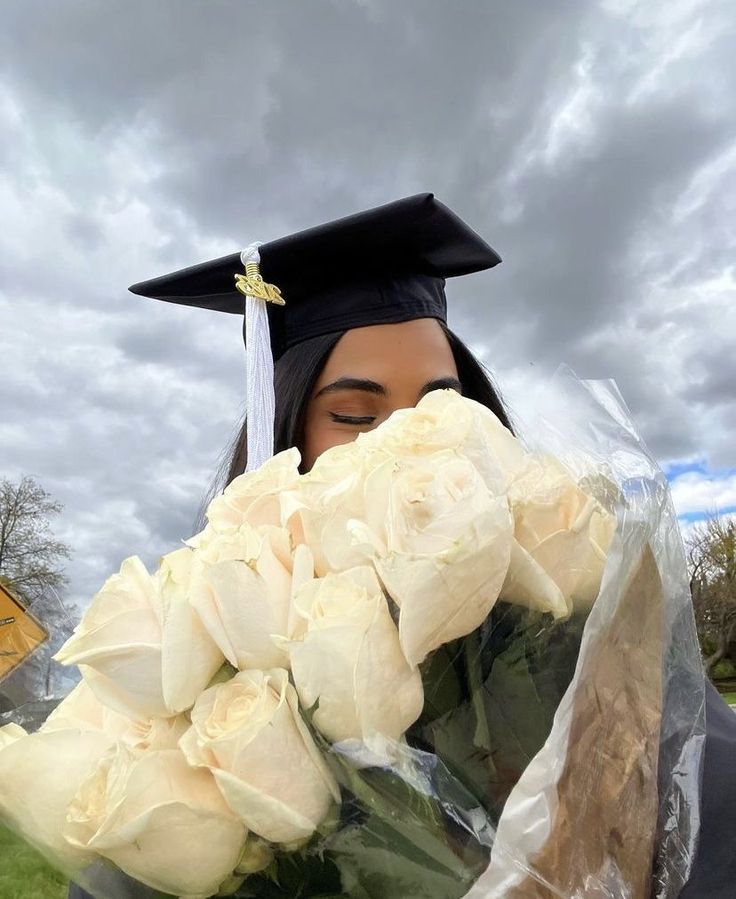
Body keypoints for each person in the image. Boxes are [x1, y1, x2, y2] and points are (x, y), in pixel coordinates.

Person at [68, 194, 735, 898]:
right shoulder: (221, 670)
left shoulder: (581, 642)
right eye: (356, 415)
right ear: (284, 436)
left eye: (442, 404)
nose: (409, 445)